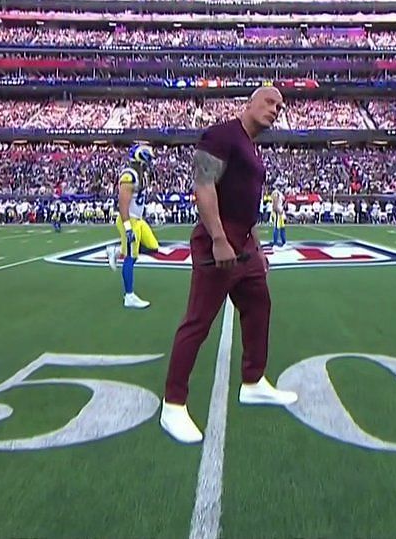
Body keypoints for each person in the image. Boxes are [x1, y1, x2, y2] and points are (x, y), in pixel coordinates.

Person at [160, 87, 297, 445]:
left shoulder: (250, 146)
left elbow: (244, 200)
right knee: (198, 321)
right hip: (218, 238)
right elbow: (204, 185)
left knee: (259, 305)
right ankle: (173, 404)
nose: (275, 110)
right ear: (248, 104)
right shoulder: (221, 134)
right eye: (269, 102)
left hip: (245, 242)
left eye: (280, 107)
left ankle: (253, 381)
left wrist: (256, 243)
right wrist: (218, 237)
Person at [107, 144, 161, 309]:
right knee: (131, 257)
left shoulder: (140, 174)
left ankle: (117, 251)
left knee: (153, 247)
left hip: (138, 219)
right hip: (128, 219)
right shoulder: (129, 176)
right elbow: (123, 205)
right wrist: (128, 227)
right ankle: (129, 296)